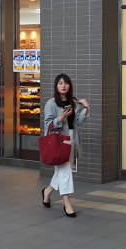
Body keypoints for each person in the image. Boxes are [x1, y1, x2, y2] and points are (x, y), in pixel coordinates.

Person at [42, 73, 89, 217]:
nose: (63, 86)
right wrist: (61, 117)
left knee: (62, 171)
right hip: (58, 141)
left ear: (70, 86)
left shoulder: (74, 102)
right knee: (65, 171)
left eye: (66, 83)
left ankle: (47, 191)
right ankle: (67, 203)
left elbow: (78, 122)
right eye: (60, 83)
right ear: (56, 86)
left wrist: (85, 108)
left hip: (71, 139)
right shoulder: (51, 103)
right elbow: (48, 125)